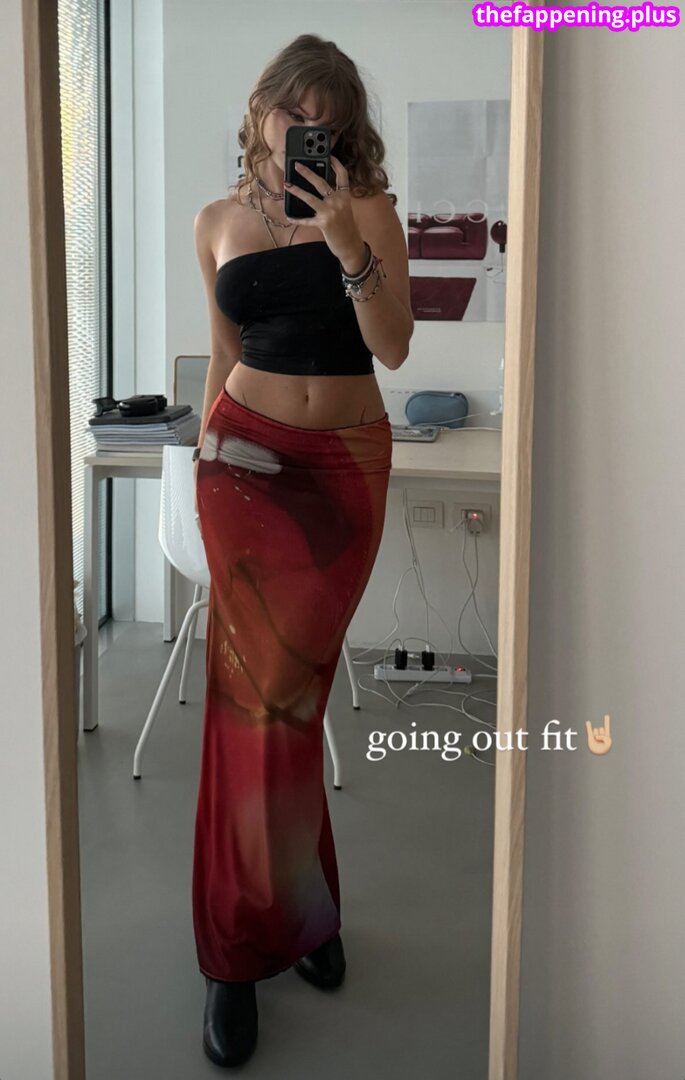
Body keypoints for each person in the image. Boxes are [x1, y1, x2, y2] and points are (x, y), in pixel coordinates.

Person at [191, 33, 413, 1068]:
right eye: (293, 112)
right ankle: (236, 953)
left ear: (346, 129)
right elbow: (224, 353)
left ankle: (299, 912)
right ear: (262, 110)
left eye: (328, 118)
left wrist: (344, 243)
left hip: (344, 472)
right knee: (252, 706)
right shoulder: (216, 222)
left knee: (293, 703)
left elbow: (392, 345)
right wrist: (197, 462)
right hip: (239, 466)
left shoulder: (367, 210)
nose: (306, 130)